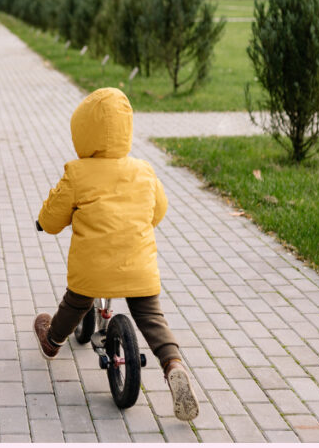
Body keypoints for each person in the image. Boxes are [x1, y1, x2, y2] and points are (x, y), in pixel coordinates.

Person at [33, 87, 199, 421]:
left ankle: (52, 341)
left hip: (92, 271)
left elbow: (52, 218)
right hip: (139, 269)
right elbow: (158, 211)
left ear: (82, 132)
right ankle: (173, 364)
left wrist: (42, 222)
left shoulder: (77, 173)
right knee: (152, 317)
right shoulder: (143, 170)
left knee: (74, 303)